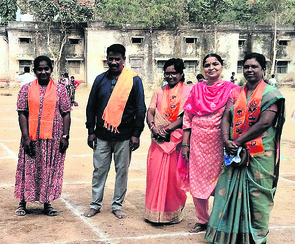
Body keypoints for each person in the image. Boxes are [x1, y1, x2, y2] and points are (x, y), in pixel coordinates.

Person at [206, 52, 285, 244]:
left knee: (256, 194)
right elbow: (226, 117)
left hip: (259, 152)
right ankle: (228, 237)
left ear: (263, 70)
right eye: (246, 67)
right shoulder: (235, 94)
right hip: (235, 151)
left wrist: (237, 141)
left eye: (254, 67)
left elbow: (265, 123)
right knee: (228, 190)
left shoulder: (270, 94)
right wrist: (226, 140)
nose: (250, 70)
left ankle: (256, 239)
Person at [84, 43, 146, 219]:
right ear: (107, 59)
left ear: (123, 60)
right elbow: (91, 106)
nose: (113, 62)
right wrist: (91, 130)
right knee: (99, 170)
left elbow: (140, 108)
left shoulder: (133, 80)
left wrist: (136, 134)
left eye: (117, 59)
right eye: (110, 58)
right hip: (102, 134)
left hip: (125, 135)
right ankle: (95, 204)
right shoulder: (100, 80)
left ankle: (117, 205)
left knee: (122, 171)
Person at [181, 53, 239, 233]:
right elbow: (187, 118)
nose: (211, 68)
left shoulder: (232, 89)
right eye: (207, 65)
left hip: (220, 143)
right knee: (197, 181)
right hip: (198, 143)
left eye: (215, 64)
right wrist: (185, 144)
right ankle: (202, 219)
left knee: (221, 181)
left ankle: (220, 219)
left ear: (222, 66)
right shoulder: (196, 89)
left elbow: (236, 116)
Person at [14, 55, 72, 217]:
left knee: (48, 169)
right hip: (31, 138)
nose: (43, 72)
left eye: (46, 68)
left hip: (52, 140)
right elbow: (22, 113)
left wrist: (65, 136)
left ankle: (47, 203)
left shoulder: (60, 89)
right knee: (28, 168)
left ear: (51, 70)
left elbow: (66, 113)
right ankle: (22, 202)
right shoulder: (26, 88)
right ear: (35, 71)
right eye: (40, 69)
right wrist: (25, 137)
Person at [144, 58, 192, 224]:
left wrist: (167, 129)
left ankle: (172, 213)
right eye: (167, 73)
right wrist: (152, 126)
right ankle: (154, 213)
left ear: (180, 74)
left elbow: (185, 116)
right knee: (154, 174)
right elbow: (150, 111)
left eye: (174, 73)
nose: (170, 76)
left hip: (175, 141)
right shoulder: (158, 91)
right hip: (157, 141)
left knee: (173, 178)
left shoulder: (187, 91)